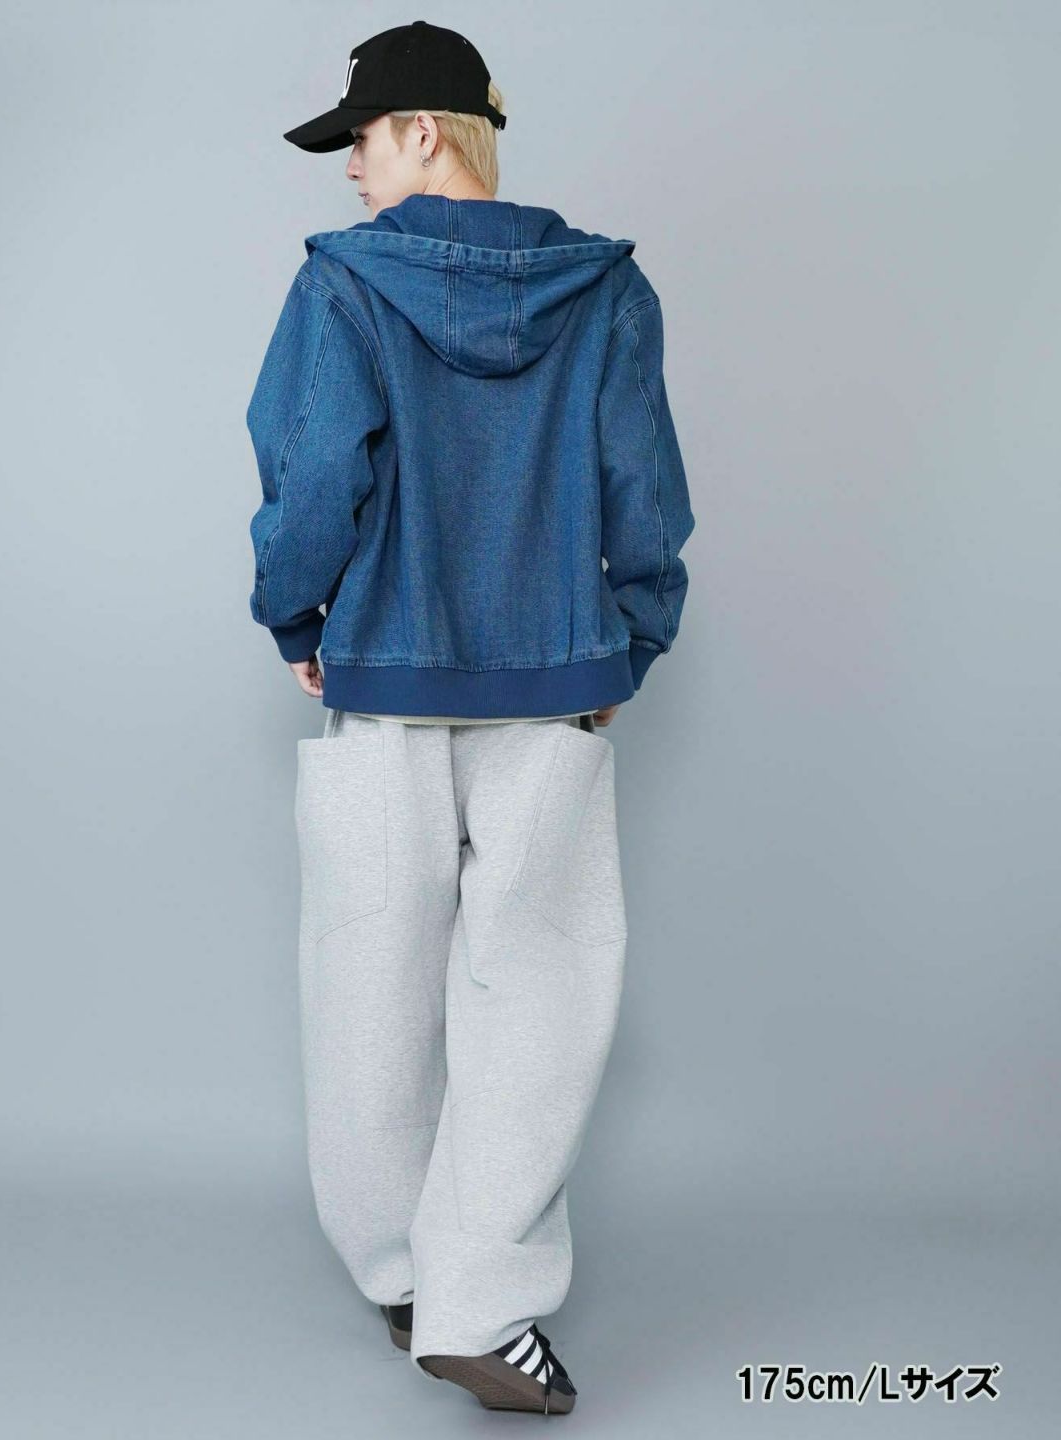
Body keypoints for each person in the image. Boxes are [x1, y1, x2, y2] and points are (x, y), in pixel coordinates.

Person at [246, 20, 695, 1416]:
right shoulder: (607, 292)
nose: (350, 172)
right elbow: (643, 486)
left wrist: (298, 621)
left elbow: (310, 474)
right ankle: (478, 1300)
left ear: (427, 131)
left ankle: (402, 1277)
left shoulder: (341, 287)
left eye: (360, 142)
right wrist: (634, 634)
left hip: (384, 679)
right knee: (538, 988)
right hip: (557, 682)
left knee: (366, 978)